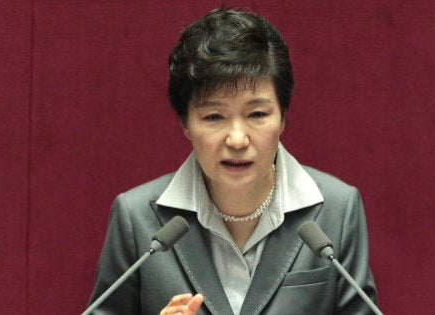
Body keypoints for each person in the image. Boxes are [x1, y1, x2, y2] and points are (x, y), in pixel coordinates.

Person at [87, 8, 378, 315]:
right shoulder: (136, 218)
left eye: (257, 115)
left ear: (282, 118)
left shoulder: (337, 209)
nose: (237, 140)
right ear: (185, 124)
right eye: (214, 117)